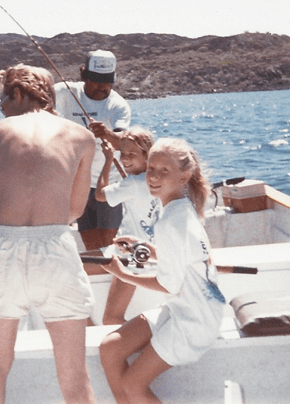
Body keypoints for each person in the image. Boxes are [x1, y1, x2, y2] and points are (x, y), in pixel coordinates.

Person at [0, 64, 97, 404]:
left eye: (4, 97)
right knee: (74, 374)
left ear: (17, 93)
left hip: (5, 246)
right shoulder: (82, 137)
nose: (1, 106)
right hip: (56, 248)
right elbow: (75, 211)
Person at [99, 138, 226, 404]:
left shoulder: (171, 220)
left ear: (184, 176)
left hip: (194, 320)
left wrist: (122, 273)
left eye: (164, 171)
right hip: (187, 307)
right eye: (151, 169)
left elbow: (168, 285)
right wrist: (144, 247)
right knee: (111, 348)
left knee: (132, 385)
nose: (153, 177)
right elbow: (180, 258)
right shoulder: (182, 207)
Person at [54, 49, 132, 251]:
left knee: (109, 244)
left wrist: (106, 133)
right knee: (90, 242)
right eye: (96, 80)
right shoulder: (65, 92)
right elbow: (35, 92)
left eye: (107, 81)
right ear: (83, 75)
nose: (102, 87)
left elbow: (123, 143)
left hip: (108, 183)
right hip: (78, 182)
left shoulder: (118, 105)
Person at [94, 126, 160, 325]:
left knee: (111, 319)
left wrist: (108, 160)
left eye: (132, 154)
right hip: (150, 253)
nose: (124, 159)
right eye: (122, 154)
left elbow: (99, 194)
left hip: (130, 257)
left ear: (147, 155)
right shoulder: (156, 179)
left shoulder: (132, 183)